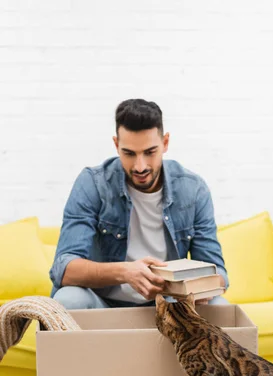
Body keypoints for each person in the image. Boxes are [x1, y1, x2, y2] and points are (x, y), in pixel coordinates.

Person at [50, 99, 229, 310]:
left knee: (219, 307)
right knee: (68, 300)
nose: (140, 166)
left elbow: (219, 274)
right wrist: (125, 272)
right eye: (129, 153)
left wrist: (200, 288)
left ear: (165, 143)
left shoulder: (193, 189)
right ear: (116, 145)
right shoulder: (93, 184)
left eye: (150, 152)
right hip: (103, 304)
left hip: (168, 306)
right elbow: (63, 269)